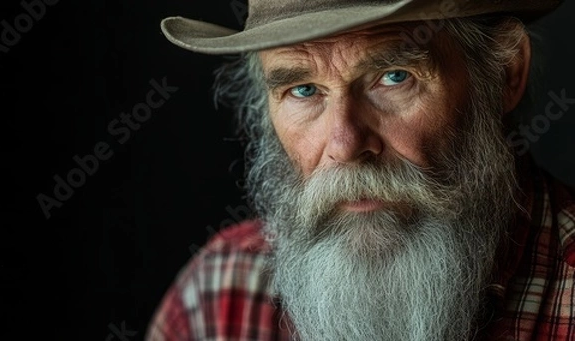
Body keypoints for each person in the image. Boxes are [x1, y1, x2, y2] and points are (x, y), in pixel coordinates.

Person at [146, 0, 574, 340]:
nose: (346, 145)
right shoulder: (217, 298)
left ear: (505, 73)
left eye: (393, 77)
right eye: (304, 89)